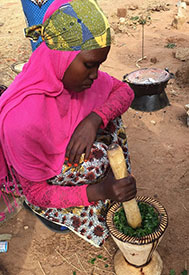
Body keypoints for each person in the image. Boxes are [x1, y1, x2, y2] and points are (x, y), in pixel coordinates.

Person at [0, 0, 136, 247]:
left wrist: (94, 119)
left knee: (110, 120)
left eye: (99, 65)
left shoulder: (72, 78)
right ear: (61, 56)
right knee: (96, 160)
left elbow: (124, 91)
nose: (95, 75)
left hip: (65, 153)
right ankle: (58, 211)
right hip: (40, 183)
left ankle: (102, 185)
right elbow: (36, 192)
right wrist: (99, 192)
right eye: (89, 65)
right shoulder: (23, 121)